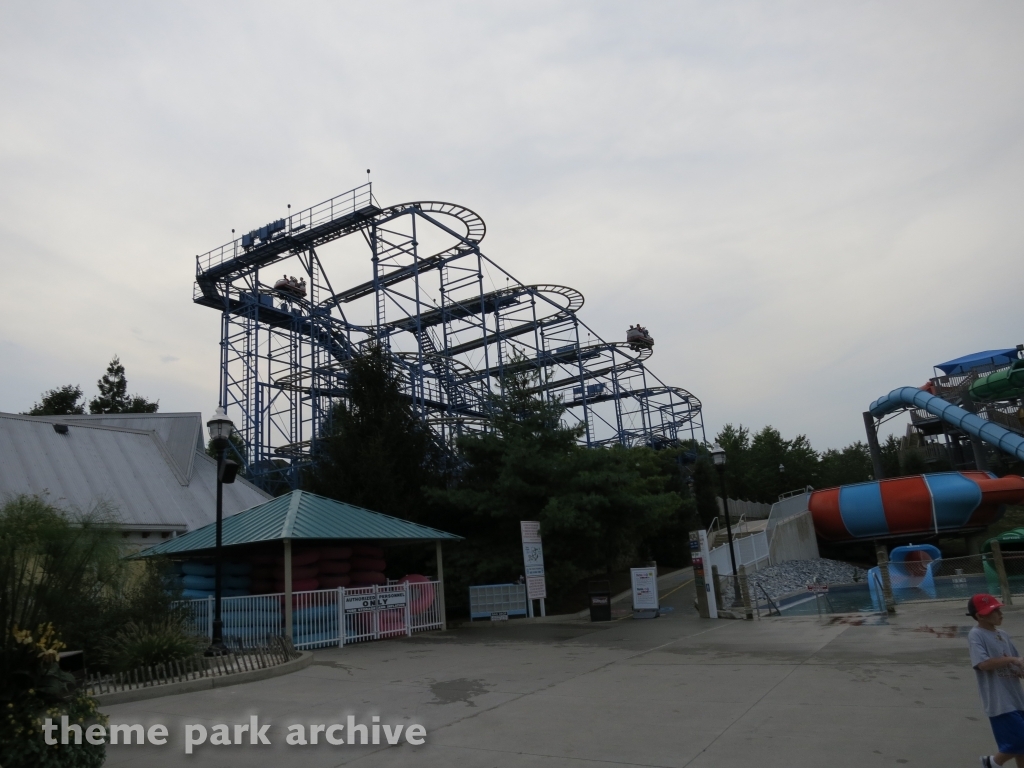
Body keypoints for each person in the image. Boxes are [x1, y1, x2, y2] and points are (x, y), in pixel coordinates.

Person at [968, 593, 1024, 767]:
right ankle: (992, 762)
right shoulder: (976, 634)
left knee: (1021, 746)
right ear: (980, 616)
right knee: (1019, 740)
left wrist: (1020, 668)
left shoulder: (1003, 634)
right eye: (994, 611)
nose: (1000, 614)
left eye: (999, 610)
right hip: (999, 701)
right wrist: (1012, 660)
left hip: (1016, 698)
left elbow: (1017, 663)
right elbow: (983, 664)